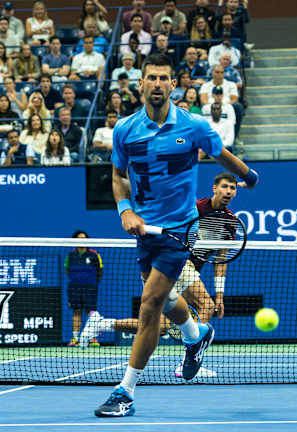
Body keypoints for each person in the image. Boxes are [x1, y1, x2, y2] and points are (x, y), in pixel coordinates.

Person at [92, 53, 257, 417]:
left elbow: (220, 154)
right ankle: (197, 335)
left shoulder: (193, 125)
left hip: (180, 229)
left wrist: (248, 175)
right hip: (145, 228)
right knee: (167, 301)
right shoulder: (124, 130)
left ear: (172, 85)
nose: (156, 83)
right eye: (150, 77)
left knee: (150, 304)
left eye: (163, 78)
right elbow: (118, 177)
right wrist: (125, 210)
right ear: (141, 84)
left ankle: (125, 391)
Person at [81, 171, 242, 378]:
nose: (228, 191)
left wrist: (219, 294)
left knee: (159, 328)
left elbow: (221, 258)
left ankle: (102, 324)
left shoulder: (230, 221)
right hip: (179, 262)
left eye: (233, 187)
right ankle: (190, 360)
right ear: (214, 188)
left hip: (186, 270)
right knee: (206, 305)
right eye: (224, 186)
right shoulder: (196, 208)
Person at [65, 230, 103, 347]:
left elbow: (99, 271)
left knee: (91, 313)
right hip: (74, 287)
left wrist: (92, 282)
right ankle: (75, 338)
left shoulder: (94, 254)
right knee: (76, 311)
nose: (82, 240)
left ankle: (92, 338)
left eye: (84, 238)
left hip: (90, 287)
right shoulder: (71, 255)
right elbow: (67, 270)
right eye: (79, 238)